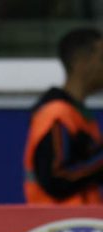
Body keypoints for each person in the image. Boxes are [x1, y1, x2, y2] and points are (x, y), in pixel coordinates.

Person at [23, 27, 103, 205]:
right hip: (56, 225)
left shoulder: (78, 115)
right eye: (102, 59)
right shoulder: (56, 115)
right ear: (81, 62)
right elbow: (56, 181)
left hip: (81, 224)